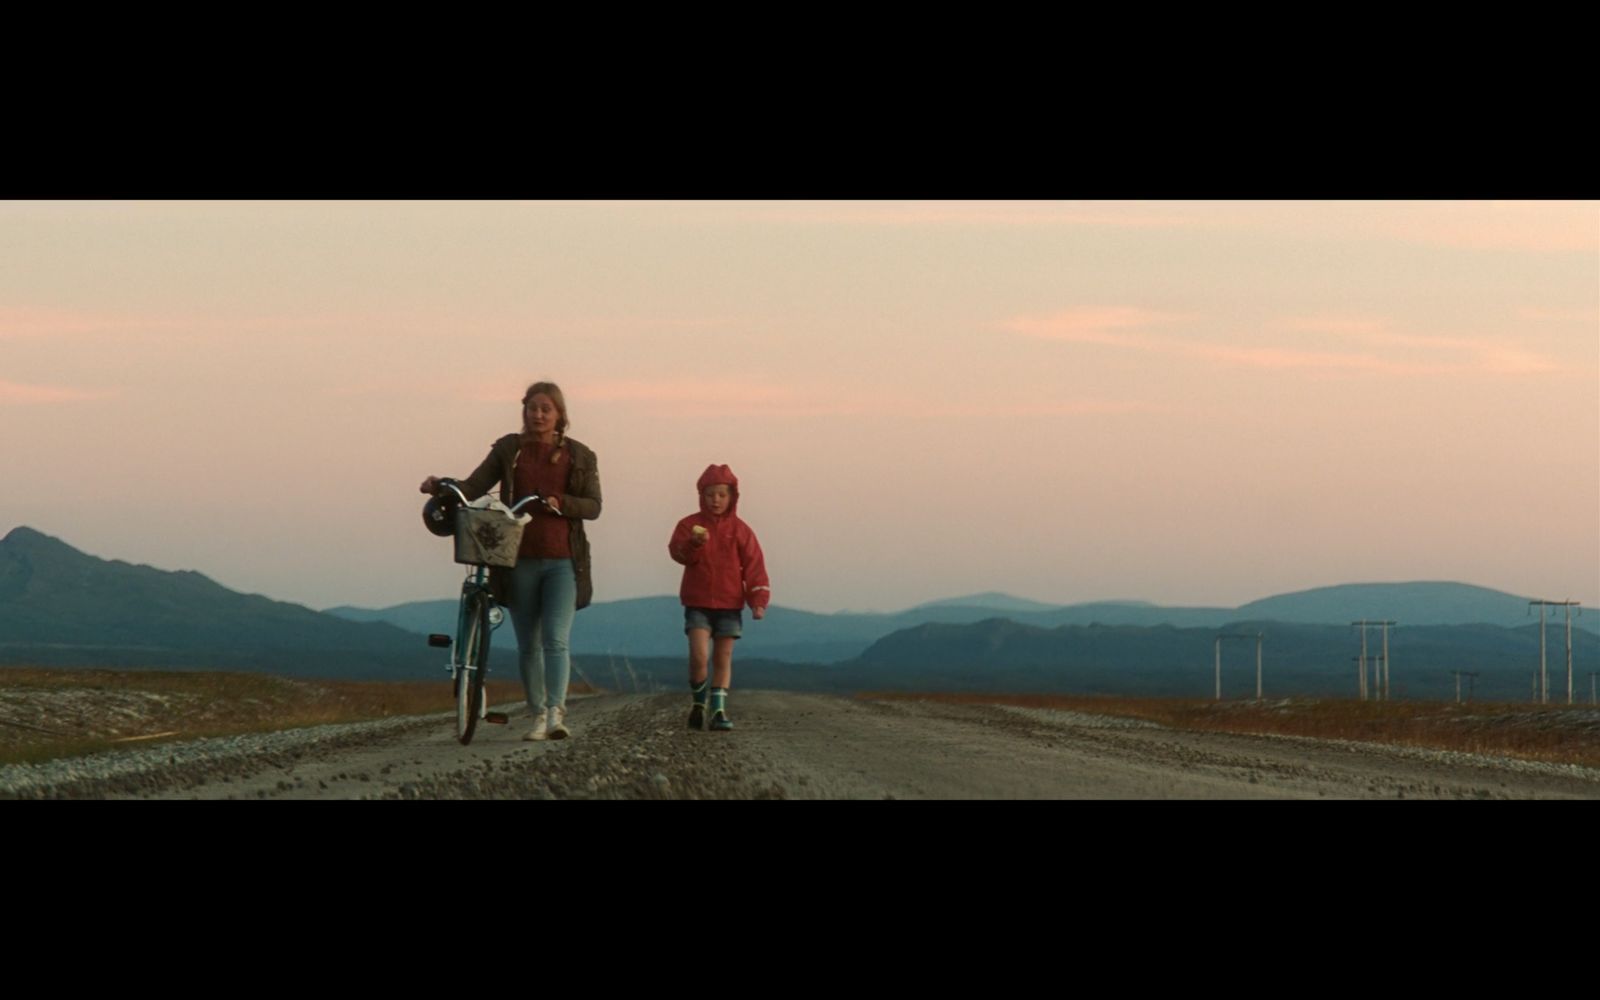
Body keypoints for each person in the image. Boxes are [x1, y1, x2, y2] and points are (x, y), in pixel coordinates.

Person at [420, 381, 601, 741]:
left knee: (556, 640)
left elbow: (593, 506)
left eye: (546, 409)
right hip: (517, 558)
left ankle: (556, 714)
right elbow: (474, 486)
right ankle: (536, 715)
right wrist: (442, 486)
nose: (538, 415)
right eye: (533, 408)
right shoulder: (509, 449)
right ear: (524, 411)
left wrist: (561, 502)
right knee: (528, 644)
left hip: (564, 560)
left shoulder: (580, 456)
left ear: (560, 415)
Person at [667, 464, 770, 731]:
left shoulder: (740, 530)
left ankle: (718, 711)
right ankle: (699, 703)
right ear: (702, 495)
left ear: (732, 497)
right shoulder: (689, 525)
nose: (716, 500)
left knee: (723, 658)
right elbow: (678, 554)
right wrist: (693, 544)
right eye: (711, 494)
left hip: (730, 604)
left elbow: (754, 566)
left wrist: (757, 601)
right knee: (699, 656)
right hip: (697, 602)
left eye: (722, 495)